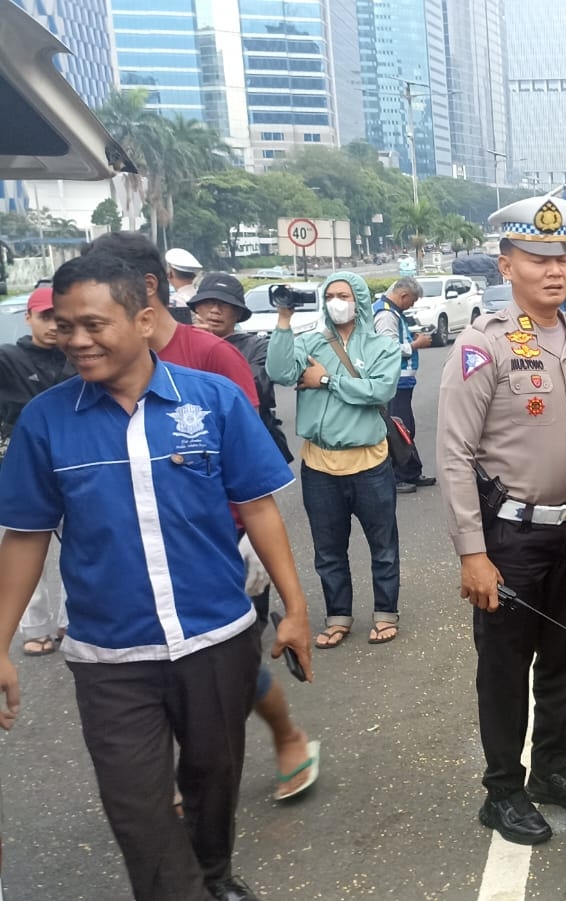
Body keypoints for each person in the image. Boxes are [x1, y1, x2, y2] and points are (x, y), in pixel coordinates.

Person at [0, 252, 315, 901]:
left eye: (93, 323)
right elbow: (27, 534)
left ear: (145, 319)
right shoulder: (47, 421)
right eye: (64, 326)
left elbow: (258, 505)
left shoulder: (213, 400)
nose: (77, 340)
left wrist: (295, 605)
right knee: (139, 809)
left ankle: (215, 875)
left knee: (212, 779)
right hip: (111, 656)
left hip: (216, 637)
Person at [437, 196, 566, 847]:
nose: (554, 270)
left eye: (561, 257)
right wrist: (473, 551)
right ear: (507, 262)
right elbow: (454, 455)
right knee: (504, 666)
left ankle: (553, 766)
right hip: (512, 536)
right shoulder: (483, 346)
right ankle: (502, 790)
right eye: (537, 257)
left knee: (565, 657)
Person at [187, 272, 319, 800]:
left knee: (235, 655)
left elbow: (269, 385)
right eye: (204, 304)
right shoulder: (129, 360)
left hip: (234, 520)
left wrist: (295, 603)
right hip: (170, 533)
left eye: (223, 305)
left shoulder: (240, 352)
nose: (211, 313)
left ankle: (286, 733)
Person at [267, 272, 402, 647]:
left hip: (369, 463)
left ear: (358, 298)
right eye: (330, 295)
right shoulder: (309, 341)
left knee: (383, 546)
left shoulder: (381, 346)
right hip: (320, 465)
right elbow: (278, 372)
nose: (336, 301)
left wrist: (327, 381)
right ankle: (338, 615)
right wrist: (283, 321)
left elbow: (379, 389)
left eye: (343, 294)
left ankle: (386, 613)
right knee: (327, 550)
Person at [86, 232, 259, 409]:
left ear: (148, 286)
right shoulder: (97, 362)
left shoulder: (214, 354)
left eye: (104, 289)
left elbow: (247, 432)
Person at [0, 285, 75, 657]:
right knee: (26, 543)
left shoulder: (79, 356)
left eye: (59, 319)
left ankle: (68, 619)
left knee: (77, 544)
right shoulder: (7, 358)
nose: (52, 326)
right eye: (44, 317)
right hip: (24, 467)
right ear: (28, 317)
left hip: (73, 463)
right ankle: (35, 627)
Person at [189, 272, 294, 461]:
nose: (215, 310)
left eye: (224, 304)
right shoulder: (183, 345)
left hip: (245, 444)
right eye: (208, 302)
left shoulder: (257, 347)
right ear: (196, 307)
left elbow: (254, 389)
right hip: (194, 442)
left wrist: (214, 347)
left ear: (238, 313)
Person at [372, 275, 435, 493]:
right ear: (403, 295)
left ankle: (410, 472)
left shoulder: (393, 312)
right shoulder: (386, 315)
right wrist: (415, 344)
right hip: (393, 381)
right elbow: (387, 349)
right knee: (397, 429)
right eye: (413, 301)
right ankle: (398, 477)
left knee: (405, 426)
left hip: (402, 381)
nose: (412, 305)